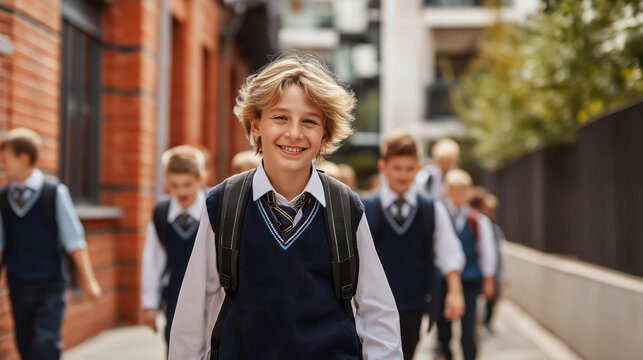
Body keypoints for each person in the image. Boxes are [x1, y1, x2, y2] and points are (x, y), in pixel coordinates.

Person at [169, 52, 403, 359]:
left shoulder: (344, 207)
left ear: (326, 134)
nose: (294, 133)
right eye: (280, 118)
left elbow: (378, 314)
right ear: (255, 125)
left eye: (309, 121)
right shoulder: (224, 204)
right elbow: (193, 314)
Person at [0, 127, 102, 360]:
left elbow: (73, 239)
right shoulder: (3, 199)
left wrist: (89, 280)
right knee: (25, 343)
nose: (3, 165)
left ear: (24, 158)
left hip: (51, 284)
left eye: (6, 160)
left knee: (46, 342)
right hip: (18, 283)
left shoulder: (53, 193)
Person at [363, 132, 465, 360]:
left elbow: (448, 253)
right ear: (383, 166)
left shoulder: (431, 209)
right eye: (397, 168)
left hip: (414, 303)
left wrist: (455, 292)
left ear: (418, 169)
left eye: (409, 169)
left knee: (407, 354)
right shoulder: (366, 206)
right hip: (374, 306)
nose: (403, 174)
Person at [141, 145, 206, 345]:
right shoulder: (162, 214)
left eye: (187, 184)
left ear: (200, 179)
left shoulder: (214, 209)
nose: (181, 191)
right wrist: (149, 304)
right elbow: (153, 260)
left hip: (207, 297)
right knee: (174, 346)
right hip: (174, 296)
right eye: (174, 185)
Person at [436, 169, 497, 360]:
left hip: (470, 281)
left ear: (469, 192)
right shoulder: (438, 215)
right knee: (442, 330)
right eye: (454, 189)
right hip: (442, 281)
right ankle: (447, 354)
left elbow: (487, 252)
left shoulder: (477, 221)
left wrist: (489, 279)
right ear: (446, 190)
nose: (458, 194)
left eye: (462, 190)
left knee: (468, 330)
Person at [477, 192, 507, 334]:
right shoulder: (477, 225)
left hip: (494, 271)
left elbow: (499, 255)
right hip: (479, 271)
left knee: (493, 299)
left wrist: (502, 275)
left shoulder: (496, 231)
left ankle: (487, 322)